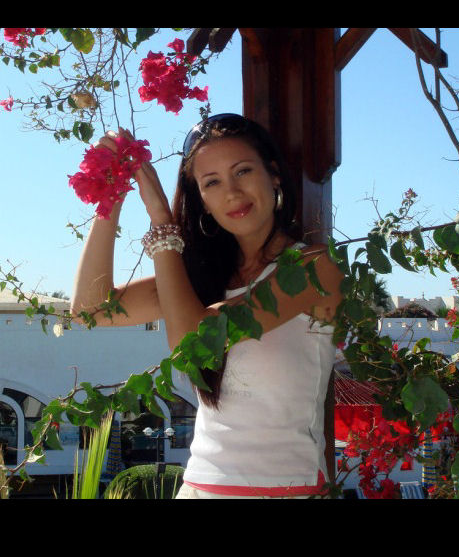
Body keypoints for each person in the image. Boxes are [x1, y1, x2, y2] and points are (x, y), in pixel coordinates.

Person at [71, 113, 343, 499]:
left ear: (273, 175)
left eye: (243, 171)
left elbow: (192, 341)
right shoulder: (200, 277)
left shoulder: (314, 267)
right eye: (212, 182)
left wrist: (161, 221)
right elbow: (90, 308)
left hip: (286, 489)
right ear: (202, 200)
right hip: (199, 487)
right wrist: (110, 192)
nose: (231, 192)